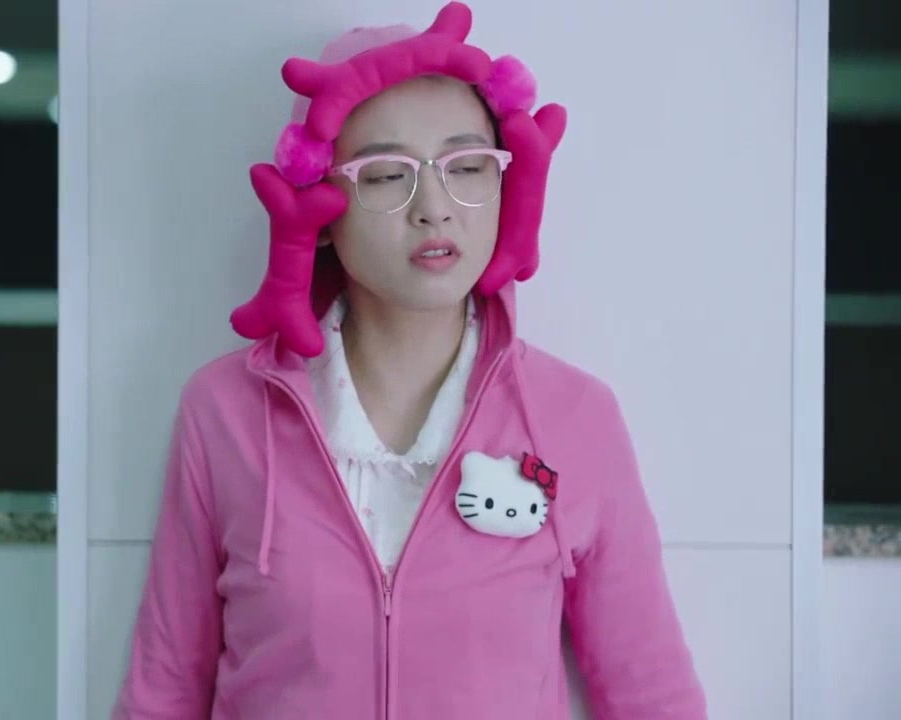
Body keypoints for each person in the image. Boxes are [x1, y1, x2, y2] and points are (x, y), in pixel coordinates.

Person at [112, 3, 708, 719]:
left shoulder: (575, 416)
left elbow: (651, 692)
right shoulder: (225, 411)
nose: (434, 208)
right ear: (318, 206)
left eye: (467, 166)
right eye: (386, 175)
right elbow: (165, 687)